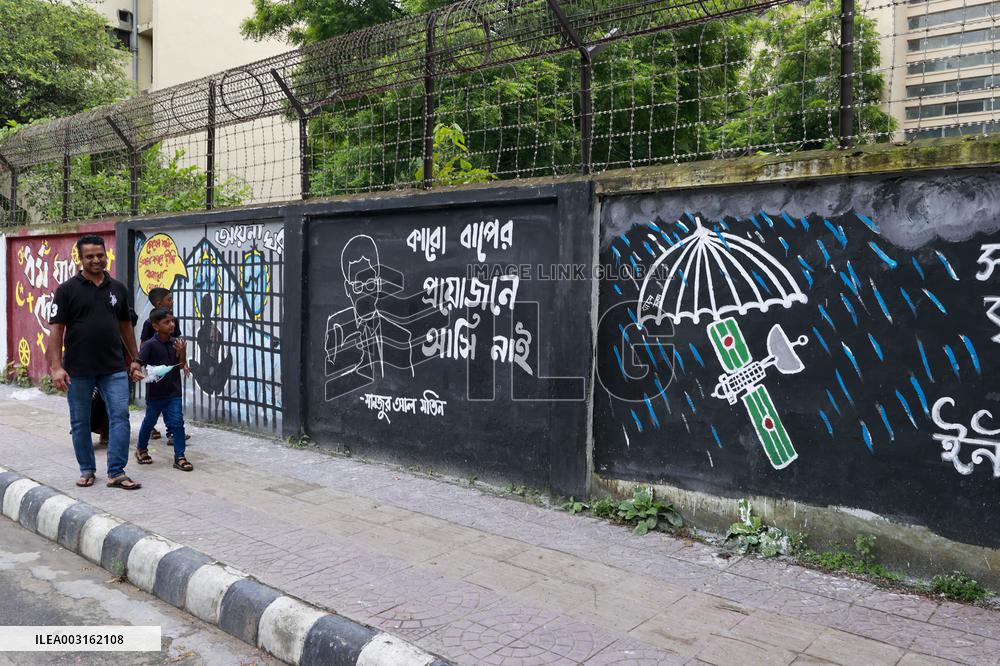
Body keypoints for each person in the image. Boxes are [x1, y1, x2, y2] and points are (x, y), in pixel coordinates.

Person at [48, 234, 144, 490]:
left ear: (106, 255)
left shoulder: (117, 289)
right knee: (79, 421)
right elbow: (56, 330)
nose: (96, 260)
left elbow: (125, 327)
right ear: (80, 259)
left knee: (120, 417)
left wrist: (135, 360)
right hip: (78, 370)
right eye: (89, 256)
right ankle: (87, 470)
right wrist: (57, 367)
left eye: (100, 255)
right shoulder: (66, 290)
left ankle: (116, 471)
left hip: (113, 368)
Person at [135, 308, 192, 471]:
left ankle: (180, 457)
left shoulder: (176, 342)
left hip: (173, 391)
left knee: (177, 423)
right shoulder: (150, 345)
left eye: (172, 321)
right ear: (155, 326)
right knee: (150, 422)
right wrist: (136, 370)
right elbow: (139, 361)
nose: (171, 324)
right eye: (166, 322)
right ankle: (141, 449)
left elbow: (180, 365)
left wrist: (182, 353)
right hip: (156, 393)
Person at [139, 287, 185, 444]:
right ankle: (150, 429)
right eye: (169, 299)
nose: (172, 302)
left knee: (171, 398)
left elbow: (178, 341)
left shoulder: (174, 322)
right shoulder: (149, 324)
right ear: (159, 303)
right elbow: (144, 343)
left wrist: (182, 359)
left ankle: (172, 431)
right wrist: (141, 361)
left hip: (171, 366)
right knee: (155, 401)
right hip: (156, 369)